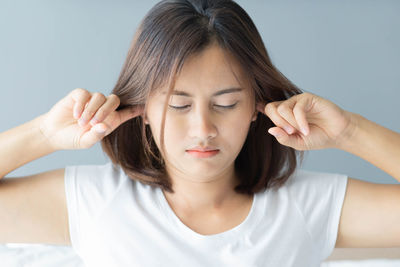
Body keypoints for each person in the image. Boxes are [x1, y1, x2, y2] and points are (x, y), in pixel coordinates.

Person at [0, 0, 399, 266]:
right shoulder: (93, 202)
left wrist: (349, 131)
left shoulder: (308, 205)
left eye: (226, 104)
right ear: (143, 110)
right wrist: (45, 134)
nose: (203, 129)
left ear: (256, 108)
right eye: (178, 105)